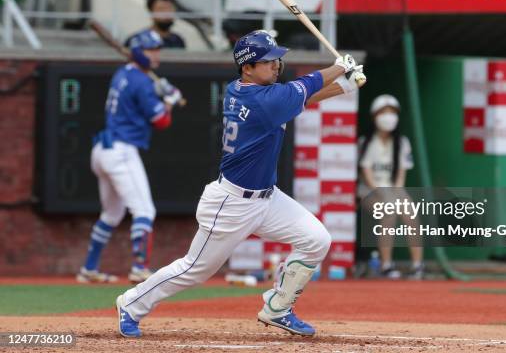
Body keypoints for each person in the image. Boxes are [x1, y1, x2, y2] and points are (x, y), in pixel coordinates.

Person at [115, 29, 367, 338]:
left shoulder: (245, 90)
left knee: (316, 239)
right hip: (231, 203)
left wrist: (344, 86)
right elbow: (305, 87)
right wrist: (341, 67)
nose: (276, 65)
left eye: (277, 60)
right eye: (268, 61)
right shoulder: (263, 99)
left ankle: (278, 307)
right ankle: (131, 303)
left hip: (266, 198)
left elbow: (295, 100)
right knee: (196, 269)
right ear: (247, 67)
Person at [76, 30, 184, 284]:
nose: (156, 54)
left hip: (102, 150)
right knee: (145, 209)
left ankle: (89, 269)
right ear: (139, 52)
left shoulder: (124, 73)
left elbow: (140, 90)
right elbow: (161, 121)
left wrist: (158, 89)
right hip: (121, 151)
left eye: (157, 49)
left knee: (112, 213)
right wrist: (169, 99)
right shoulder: (142, 82)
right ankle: (139, 267)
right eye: (151, 50)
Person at [358, 94, 424, 279]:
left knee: (411, 211)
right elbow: (366, 173)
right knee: (389, 211)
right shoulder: (367, 142)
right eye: (383, 112)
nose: (388, 117)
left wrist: (395, 194)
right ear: (374, 116)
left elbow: (401, 175)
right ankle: (386, 265)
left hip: (393, 189)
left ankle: (417, 265)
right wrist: (386, 196)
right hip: (369, 191)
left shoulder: (402, 143)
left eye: (392, 113)